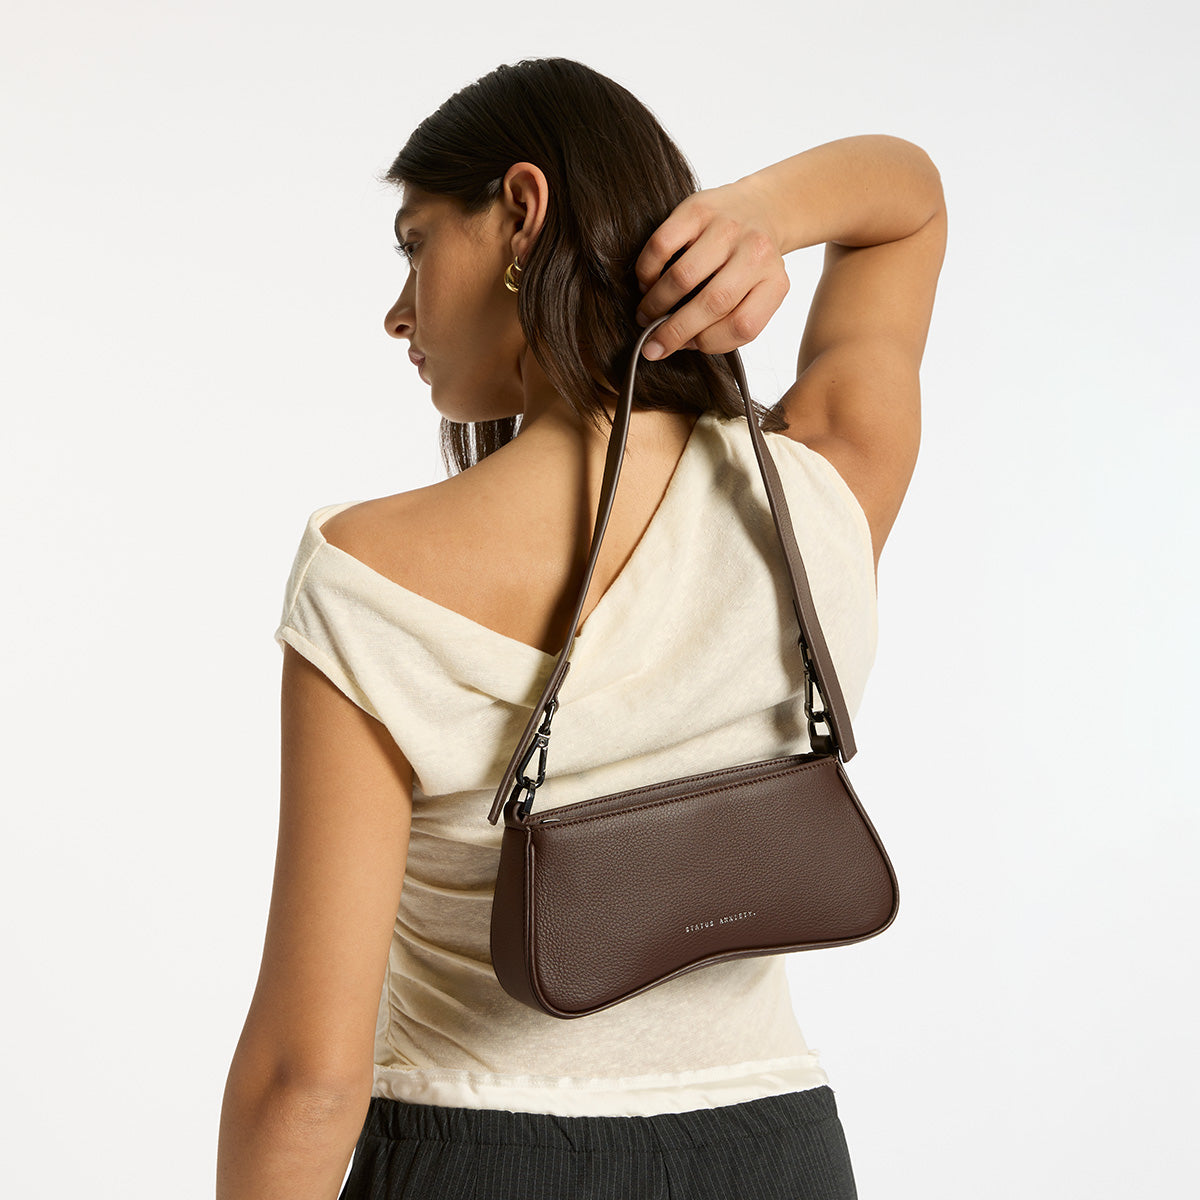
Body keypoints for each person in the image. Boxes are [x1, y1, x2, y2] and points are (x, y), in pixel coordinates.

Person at [216, 57, 946, 1200]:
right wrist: (760, 215)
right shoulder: (815, 491)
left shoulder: (373, 572)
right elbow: (907, 203)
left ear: (521, 209)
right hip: (782, 1159)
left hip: (475, 1158)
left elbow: (306, 1079)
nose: (398, 310)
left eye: (415, 243)